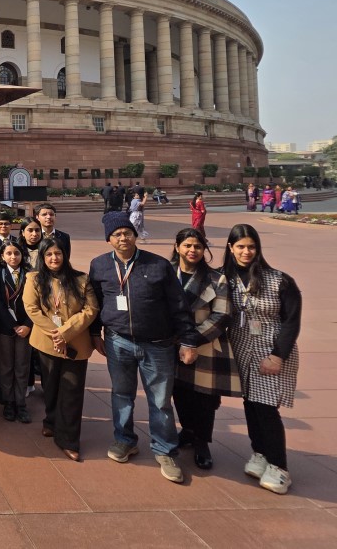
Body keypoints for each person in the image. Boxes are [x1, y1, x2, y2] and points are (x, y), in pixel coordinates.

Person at [89, 211, 203, 484]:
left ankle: (165, 450)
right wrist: (95, 333)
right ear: (108, 239)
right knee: (121, 394)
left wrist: (188, 340)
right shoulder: (100, 265)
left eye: (127, 233)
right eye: (117, 234)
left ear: (135, 235)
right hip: (118, 341)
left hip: (157, 344)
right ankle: (125, 440)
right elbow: (95, 302)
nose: (123, 238)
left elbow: (179, 306)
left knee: (160, 401)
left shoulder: (158, 265)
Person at [223, 224, 301, 494]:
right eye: (241, 246)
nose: (246, 252)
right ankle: (260, 453)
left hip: (271, 350)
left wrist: (278, 355)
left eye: (251, 247)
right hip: (241, 348)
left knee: (266, 407)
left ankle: (279, 466)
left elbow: (291, 321)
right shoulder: (226, 279)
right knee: (250, 404)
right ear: (231, 248)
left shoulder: (279, 280)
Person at [169, 228, 241, 471]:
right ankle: (188, 431)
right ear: (177, 247)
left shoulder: (216, 278)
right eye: (187, 245)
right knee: (179, 392)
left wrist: (190, 340)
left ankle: (202, 441)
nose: (192, 250)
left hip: (205, 344)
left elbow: (222, 315)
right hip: (171, 344)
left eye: (198, 246)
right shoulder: (166, 273)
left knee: (204, 398)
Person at [23, 237, 99, 461]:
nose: (54, 258)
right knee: (51, 386)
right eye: (48, 254)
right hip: (47, 343)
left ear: (65, 255)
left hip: (75, 343)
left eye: (58, 253)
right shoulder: (34, 279)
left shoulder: (81, 279)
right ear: (42, 257)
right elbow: (32, 308)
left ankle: (68, 439)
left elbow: (91, 309)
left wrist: (65, 332)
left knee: (72, 391)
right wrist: (56, 334)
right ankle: (51, 421)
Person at [0, 242, 33, 423]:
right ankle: (9, 402)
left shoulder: (30, 275)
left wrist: (27, 325)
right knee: (6, 366)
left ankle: (21, 403)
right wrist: (13, 325)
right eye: (8, 253)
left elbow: (36, 303)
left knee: (22, 366)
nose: (13, 257)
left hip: (25, 329)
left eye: (16, 253)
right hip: (5, 328)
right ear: (2, 256)